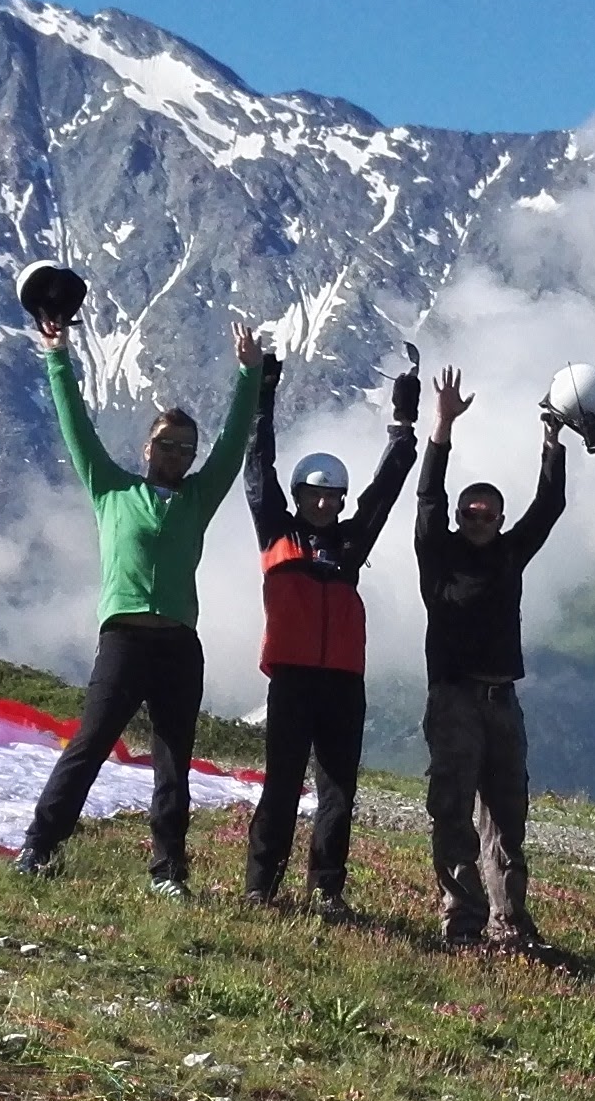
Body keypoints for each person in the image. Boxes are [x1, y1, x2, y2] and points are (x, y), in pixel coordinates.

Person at [14, 290, 268, 889]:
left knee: (174, 763)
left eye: (186, 449)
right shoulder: (110, 488)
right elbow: (75, 424)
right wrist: (58, 356)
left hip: (180, 646)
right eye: (166, 445)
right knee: (90, 745)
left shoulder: (199, 498)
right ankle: (39, 846)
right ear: (145, 449)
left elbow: (234, 444)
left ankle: (167, 871)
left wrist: (248, 375)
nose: (176, 455)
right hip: (124, 640)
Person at [237, 348, 416, 909]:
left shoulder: (349, 542)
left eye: (332, 494)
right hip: (291, 679)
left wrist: (403, 428)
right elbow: (256, 467)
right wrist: (261, 394)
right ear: (298, 496)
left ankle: (326, 892)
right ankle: (261, 887)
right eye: (314, 492)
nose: (323, 500)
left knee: (339, 791)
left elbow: (384, 494)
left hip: (343, 681)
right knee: (283, 786)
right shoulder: (276, 532)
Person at [411, 363, 569, 948]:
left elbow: (548, 507)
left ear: (500, 520)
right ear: (457, 518)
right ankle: (462, 919)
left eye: (488, 513)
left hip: (504, 699)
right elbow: (426, 497)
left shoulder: (509, 553)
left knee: (507, 815)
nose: (478, 520)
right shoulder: (438, 551)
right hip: (453, 697)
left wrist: (553, 441)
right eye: (469, 512)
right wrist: (442, 427)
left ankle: (509, 922)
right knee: (452, 811)